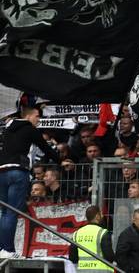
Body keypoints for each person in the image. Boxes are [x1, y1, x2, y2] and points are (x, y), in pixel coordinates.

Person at [0, 107, 59, 255]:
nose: (38, 119)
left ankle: (2, 248)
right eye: (37, 116)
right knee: (12, 213)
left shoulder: (7, 128)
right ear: (28, 116)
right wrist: (61, 160)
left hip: (2, 171)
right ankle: (7, 250)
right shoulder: (30, 129)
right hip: (18, 172)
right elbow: (45, 148)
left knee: (4, 212)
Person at [69, 205, 114, 272]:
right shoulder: (103, 233)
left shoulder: (77, 233)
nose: (103, 216)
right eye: (101, 214)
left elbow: (73, 258)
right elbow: (109, 257)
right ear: (97, 216)